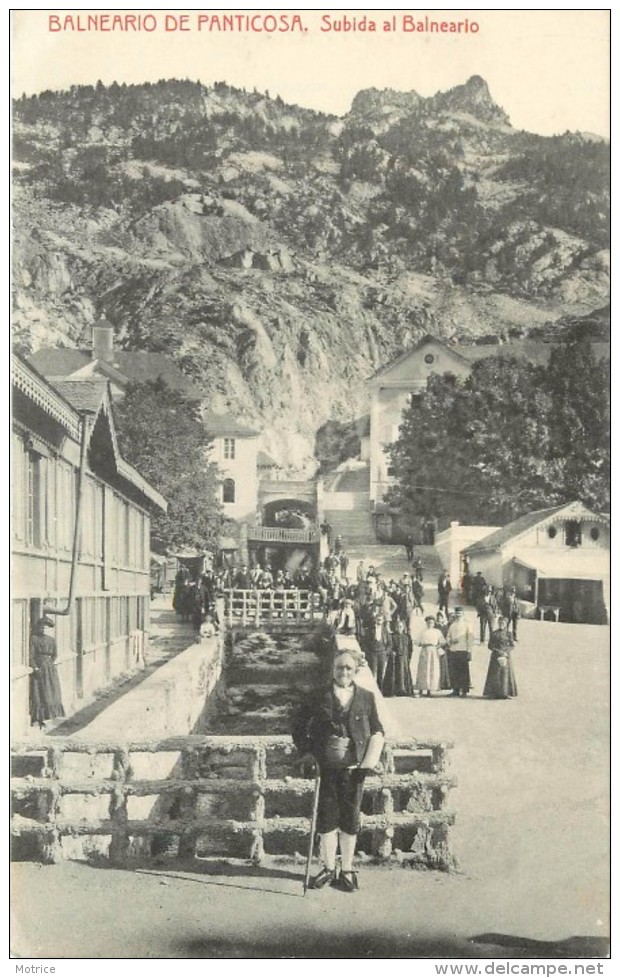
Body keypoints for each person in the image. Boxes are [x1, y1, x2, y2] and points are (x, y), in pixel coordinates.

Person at [291, 650, 385, 892]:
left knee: (350, 819)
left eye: (348, 669)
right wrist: (307, 751)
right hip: (326, 767)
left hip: (354, 769)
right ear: (332, 670)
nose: (343, 672)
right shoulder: (318, 695)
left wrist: (371, 758)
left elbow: (377, 729)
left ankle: (347, 869)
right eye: (339, 668)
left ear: (356, 671)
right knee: (327, 818)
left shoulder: (366, 697)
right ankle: (328, 867)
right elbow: (298, 724)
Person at [30, 616, 65, 728]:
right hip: (38, 669)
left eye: (46, 628)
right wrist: (35, 668)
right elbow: (30, 656)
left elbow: (55, 654)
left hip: (49, 669)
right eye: (42, 628)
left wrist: (50, 664)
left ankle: (49, 717)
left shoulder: (52, 640)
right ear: (39, 628)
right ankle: (38, 719)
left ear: (50, 629)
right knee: (39, 693)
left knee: (51, 691)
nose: (44, 630)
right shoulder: (34, 639)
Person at [483, 616, 518, 699]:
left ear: (506, 624)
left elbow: (512, 645)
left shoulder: (509, 634)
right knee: (495, 674)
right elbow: (490, 645)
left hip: (506, 656)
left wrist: (505, 652)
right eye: (500, 623)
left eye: (503, 623)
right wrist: (497, 651)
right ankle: (494, 693)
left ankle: (505, 693)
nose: (501, 624)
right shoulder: (494, 633)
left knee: (505, 675)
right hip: (495, 655)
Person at [445, 606, 474, 697]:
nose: (458, 616)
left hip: (463, 650)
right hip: (453, 650)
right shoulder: (452, 625)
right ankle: (455, 689)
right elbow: (448, 636)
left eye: (460, 614)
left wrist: (469, 651)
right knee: (454, 671)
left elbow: (470, 639)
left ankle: (464, 690)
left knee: (463, 671)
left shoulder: (467, 625)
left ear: (463, 614)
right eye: (457, 614)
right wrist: (450, 641)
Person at [415, 615, 447, 696]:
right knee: (423, 669)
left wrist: (437, 647)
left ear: (434, 623)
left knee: (432, 669)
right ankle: (421, 688)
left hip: (433, 651)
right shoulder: (423, 632)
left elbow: (443, 641)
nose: (430, 624)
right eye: (428, 622)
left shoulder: (437, 632)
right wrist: (420, 643)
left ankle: (430, 689)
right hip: (425, 650)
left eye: (432, 622)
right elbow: (416, 642)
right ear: (426, 623)